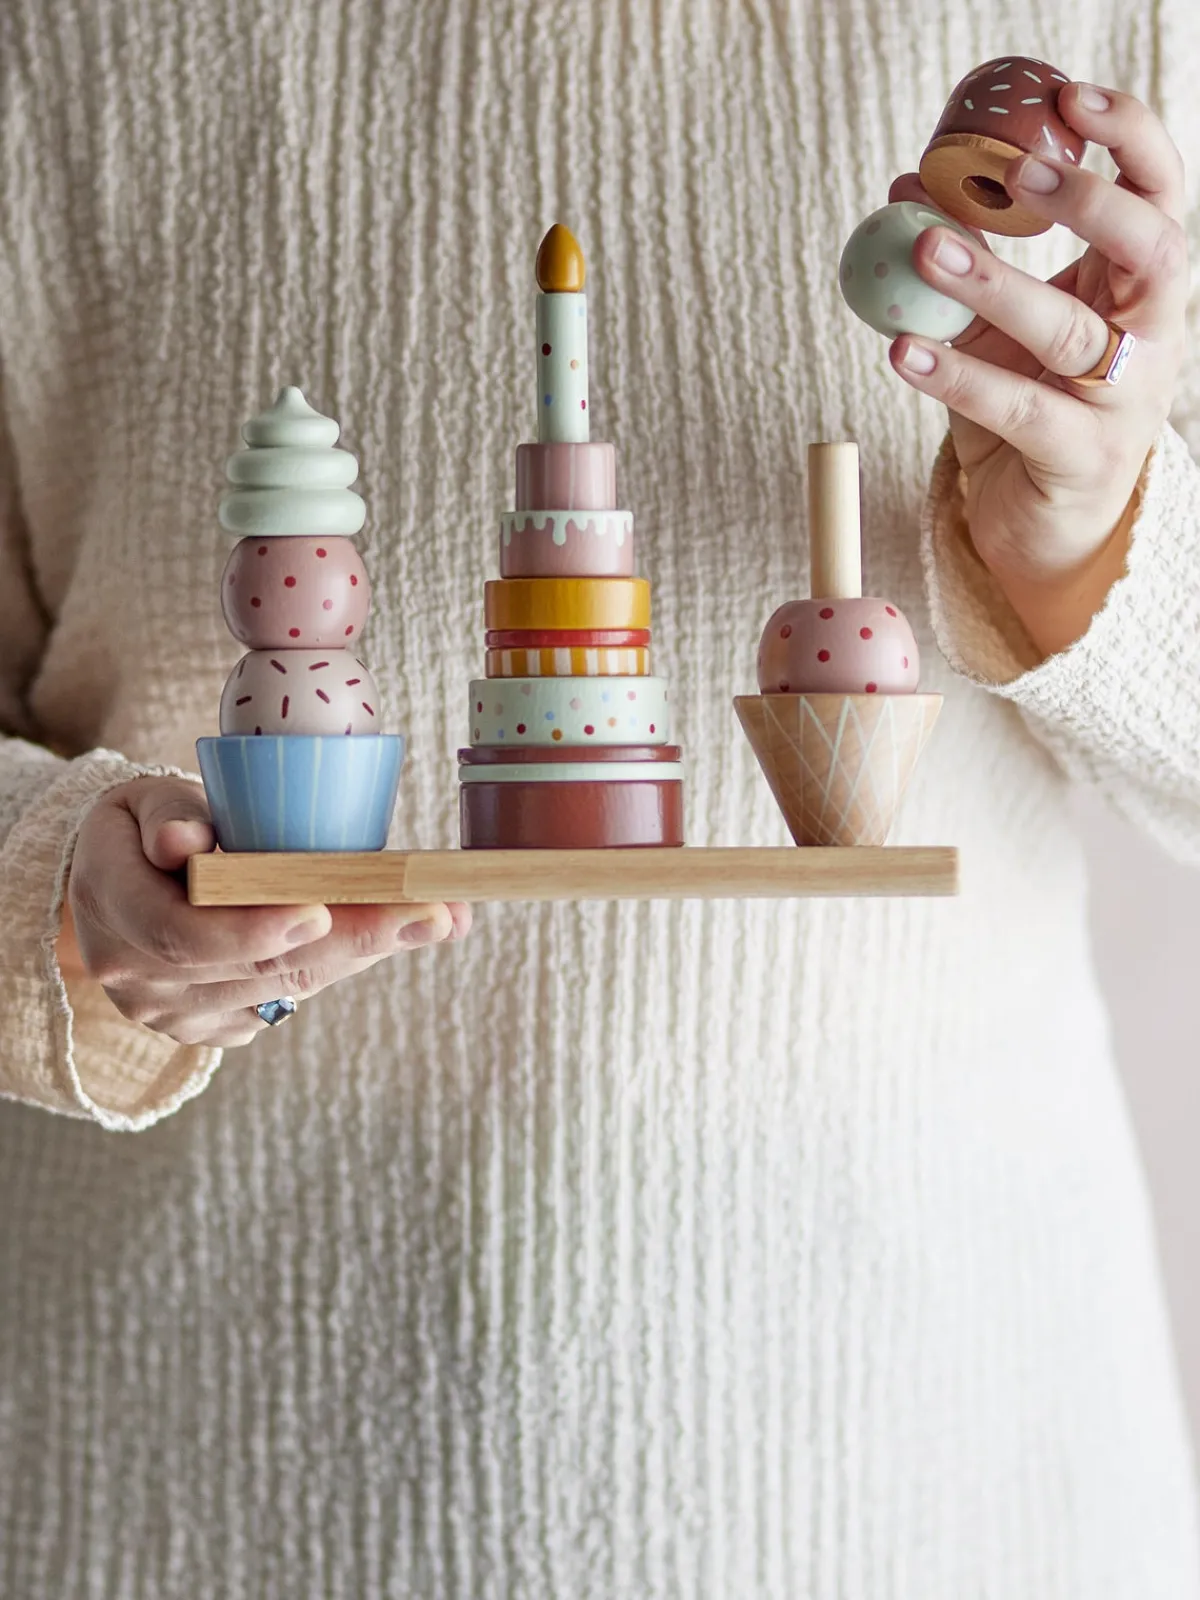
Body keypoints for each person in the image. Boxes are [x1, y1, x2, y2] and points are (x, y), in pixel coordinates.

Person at [0, 2, 1197, 1594]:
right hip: (189, 1471)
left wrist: (1094, 545)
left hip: (917, 1472)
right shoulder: (59, 47)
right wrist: (54, 886)